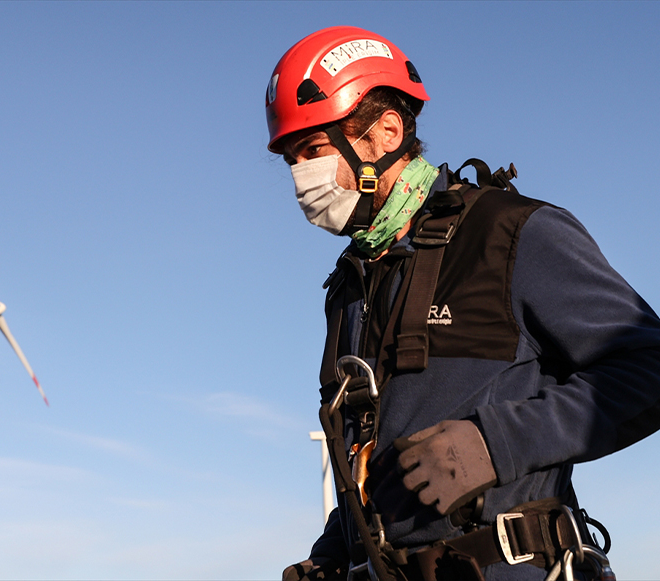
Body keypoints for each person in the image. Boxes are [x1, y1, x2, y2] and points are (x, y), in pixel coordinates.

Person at [265, 26, 660, 581]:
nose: (301, 178)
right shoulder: (351, 285)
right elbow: (376, 454)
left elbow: (650, 367)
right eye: (290, 160)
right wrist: (337, 550)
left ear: (385, 132)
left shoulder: (510, 233)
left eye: (313, 150)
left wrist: (495, 443)